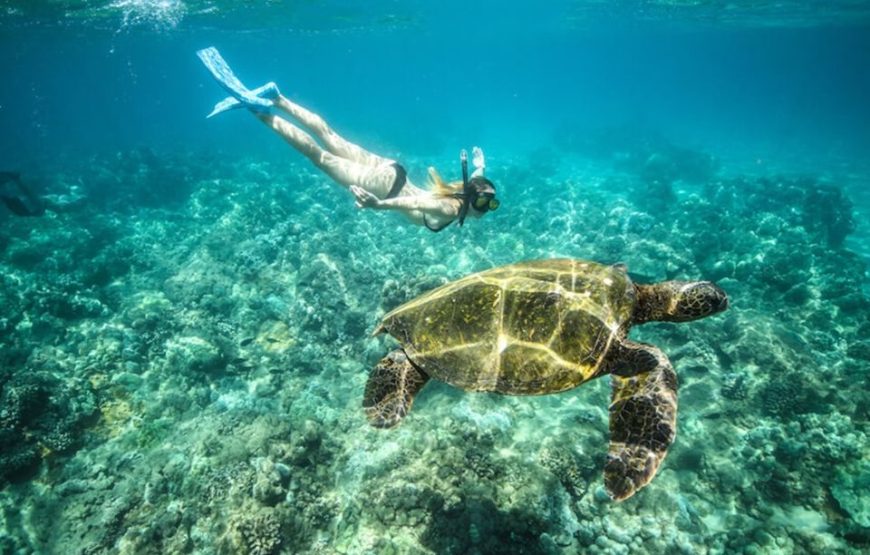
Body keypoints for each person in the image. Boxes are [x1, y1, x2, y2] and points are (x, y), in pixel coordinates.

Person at [197, 47, 499, 232]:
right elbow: (416, 201)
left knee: (329, 137)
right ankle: (260, 112)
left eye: (490, 204)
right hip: (385, 186)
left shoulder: (465, 191)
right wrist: (379, 205)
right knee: (319, 156)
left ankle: (278, 97)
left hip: (394, 170)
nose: (486, 209)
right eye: (486, 203)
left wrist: (480, 165)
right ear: (472, 198)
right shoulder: (453, 209)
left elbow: (475, 180)